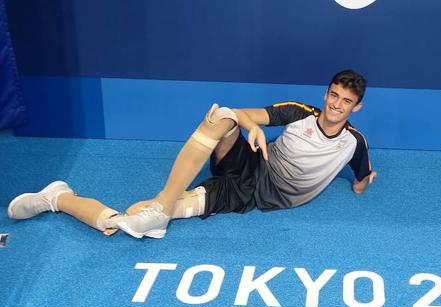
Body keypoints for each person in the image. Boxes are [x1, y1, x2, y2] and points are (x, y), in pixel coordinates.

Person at [7, 69, 376, 238]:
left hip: (249, 195)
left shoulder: (354, 144)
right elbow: (245, 114)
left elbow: (361, 180)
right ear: (325, 93)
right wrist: (253, 127)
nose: (336, 105)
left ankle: (58, 197)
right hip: (251, 160)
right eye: (333, 95)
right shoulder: (299, 113)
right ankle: (163, 207)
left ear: (356, 107)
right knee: (223, 116)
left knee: (127, 218)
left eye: (346, 101)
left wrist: (363, 182)